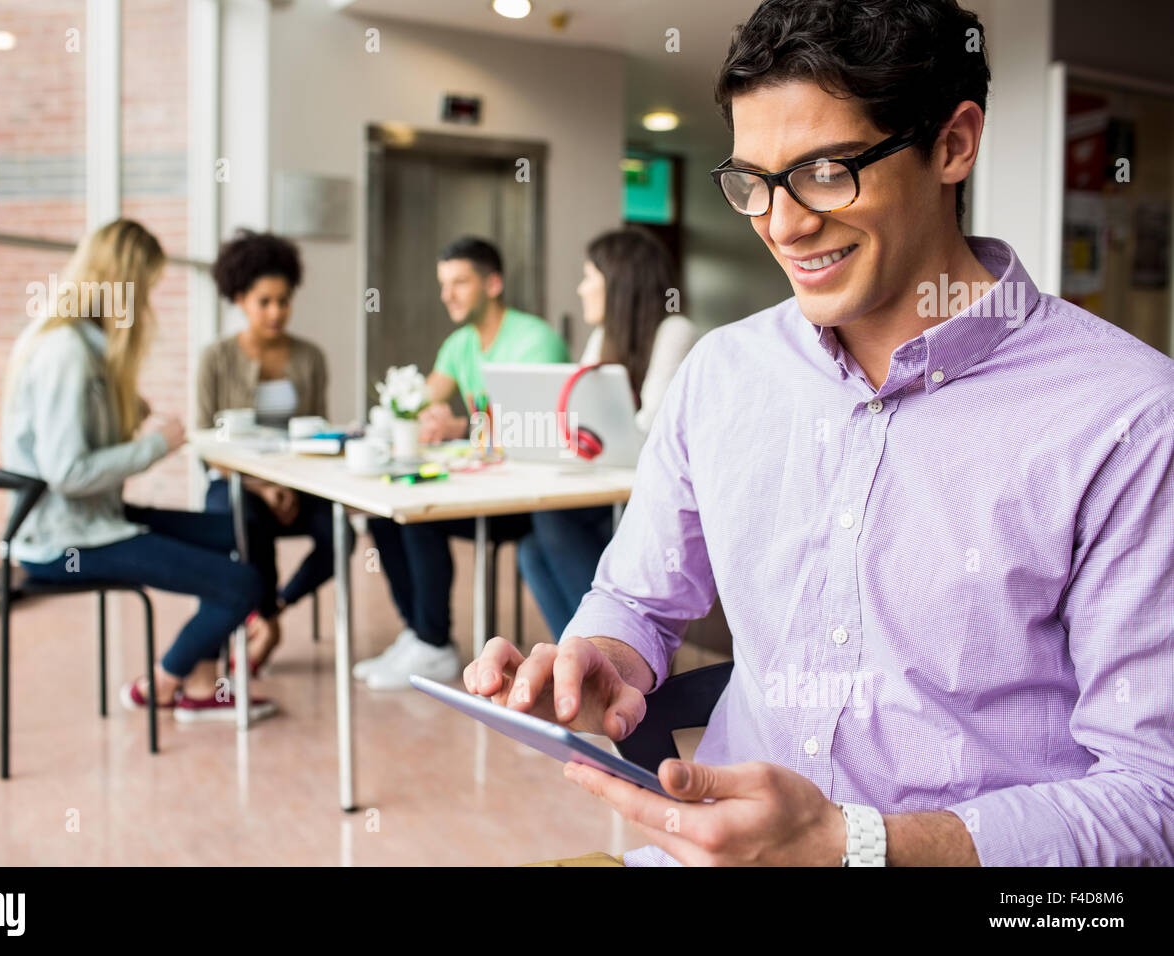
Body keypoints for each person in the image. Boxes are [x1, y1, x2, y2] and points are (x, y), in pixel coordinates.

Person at [464, 0, 1174, 866]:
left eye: (827, 171)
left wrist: (856, 847)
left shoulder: (1129, 417)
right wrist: (600, 662)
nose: (782, 223)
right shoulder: (723, 378)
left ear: (954, 144)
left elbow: (1154, 796)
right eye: (754, 182)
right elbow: (639, 601)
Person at [3, 219, 275, 723]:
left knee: (237, 528)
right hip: (65, 542)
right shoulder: (67, 354)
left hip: (95, 519)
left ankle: (199, 678)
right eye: (146, 288)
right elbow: (69, 473)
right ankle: (166, 685)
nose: (148, 304)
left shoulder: (86, 348)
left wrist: (129, 409)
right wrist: (155, 446)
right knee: (241, 584)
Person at [358, 236, 569, 690]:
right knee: (386, 514)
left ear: (493, 284)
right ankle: (420, 634)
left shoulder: (535, 340)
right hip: (483, 492)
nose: (446, 295)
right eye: (443, 284)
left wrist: (456, 427)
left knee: (421, 517)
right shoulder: (459, 345)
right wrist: (424, 417)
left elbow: (532, 431)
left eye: (459, 282)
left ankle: (433, 644)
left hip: (529, 502)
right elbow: (413, 405)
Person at [517, 227, 699, 640]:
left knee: (550, 517)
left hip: (659, 496)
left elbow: (648, 433)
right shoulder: (604, 337)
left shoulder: (675, 331)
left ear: (617, 283)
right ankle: (588, 659)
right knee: (530, 550)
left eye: (588, 277)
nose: (581, 289)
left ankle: (610, 648)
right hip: (613, 487)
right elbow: (580, 415)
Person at [197, 229, 353, 674]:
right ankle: (257, 619)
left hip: (300, 482)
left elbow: (320, 435)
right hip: (237, 483)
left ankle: (271, 612)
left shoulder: (310, 357)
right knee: (240, 523)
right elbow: (206, 447)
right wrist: (262, 488)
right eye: (264, 301)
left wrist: (291, 485)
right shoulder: (216, 359)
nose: (276, 312)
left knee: (341, 534)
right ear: (240, 299)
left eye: (284, 300)